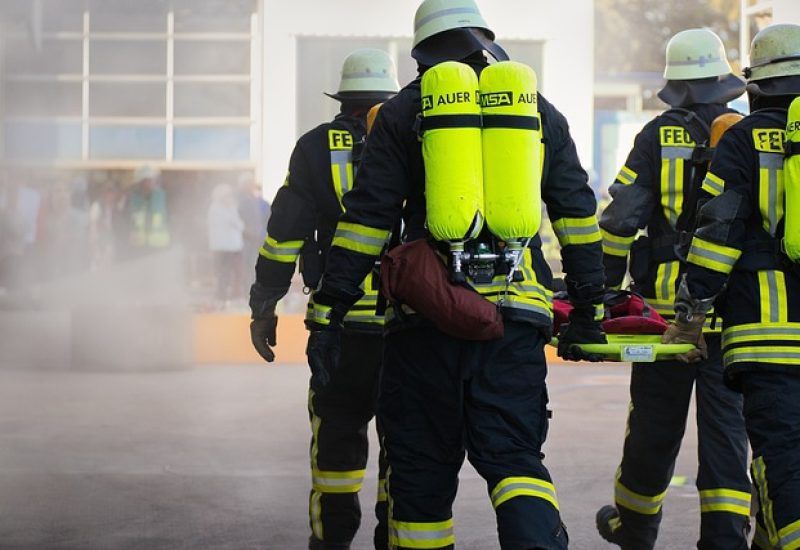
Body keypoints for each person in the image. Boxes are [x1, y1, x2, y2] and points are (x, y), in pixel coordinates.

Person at [303, 1, 607, 548]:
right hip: (513, 322)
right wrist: (590, 311)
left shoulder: (403, 112)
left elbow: (367, 222)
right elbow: (577, 219)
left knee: (420, 473)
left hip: (426, 320)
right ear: (485, 40)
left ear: (422, 52)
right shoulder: (538, 112)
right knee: (515, 461)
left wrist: (329, 312)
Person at [595, 29, 751, 549]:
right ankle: (726, 538)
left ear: (676, 85)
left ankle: (635, 528)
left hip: (663, 320)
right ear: (722, 81)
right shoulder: (746, 135)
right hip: (729, 317)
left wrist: (601, 293)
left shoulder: (654, 136)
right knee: (726, 435)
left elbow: (619, 222)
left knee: (652, 430)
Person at [248, 49, 399, 550]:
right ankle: (396, 536)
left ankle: (330, 539)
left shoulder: (313, 147)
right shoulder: (416, 137)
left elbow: (285, 235)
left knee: (336, 433)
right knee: (408, 439)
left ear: (344, 97)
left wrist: (264, 301)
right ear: (388, 96)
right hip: (409, 323)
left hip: (339, 323)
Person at [662, 23, 800, 550]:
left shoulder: (742, 139)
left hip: (767, 341)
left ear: (757, 84)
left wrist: (690, 316)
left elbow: (717, 235)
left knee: (783, 466)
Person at [208, 183, 245, 308]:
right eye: (227, 196)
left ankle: (228, 297)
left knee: (230, 273)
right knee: (223, 274)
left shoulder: (228, 208)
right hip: (224, 248)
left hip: (232, 247)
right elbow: (237, 224)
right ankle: (221, 297)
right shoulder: (218, 209)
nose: (229, 198)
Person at [122, 166, 170, 260]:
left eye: (150, 180)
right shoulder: (132, 198)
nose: (148, 183)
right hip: (137, 248)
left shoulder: (163, 197)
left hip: (159, 248)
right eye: (145, 180)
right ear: (139, 182)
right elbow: (125, 220)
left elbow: (172, 219)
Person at [237, 172, 270, 294]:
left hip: (257, 238)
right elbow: (238, 219)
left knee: (255, 266)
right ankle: (248, 292)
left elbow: (265, 220)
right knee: (247, 267)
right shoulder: (241, 201)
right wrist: (247, 232)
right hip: (246, 239)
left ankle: (255, 291)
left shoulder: (258, 202)